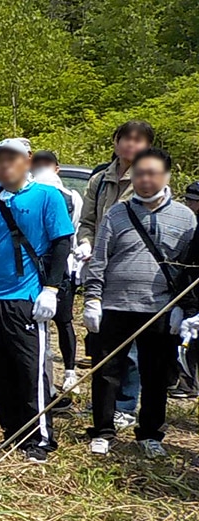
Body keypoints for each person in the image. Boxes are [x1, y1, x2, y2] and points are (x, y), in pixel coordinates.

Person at [0, 138, 74, 464]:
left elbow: (62, 243)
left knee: (30, 370)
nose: (6, 165)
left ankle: (41, 437)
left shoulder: (47, 196)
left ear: (27, 160)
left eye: (13, 159)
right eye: (0, 161)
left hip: (27, 297)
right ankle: (12, 432)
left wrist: (51, 288)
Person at [83, 147, 194, 458]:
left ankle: (149, 433)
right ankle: (103, 430)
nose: (145, 179)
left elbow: (189, 269)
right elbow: (99, 259)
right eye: (140, 173)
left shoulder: (185, 219)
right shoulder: (117, 213)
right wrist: (93, 298)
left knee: (156, 375)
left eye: (153, 173)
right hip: (115, 305)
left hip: (160, 309)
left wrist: (182, 309)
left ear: (167, 176)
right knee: (106, 372)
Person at [76, 121, 155, 424]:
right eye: (124, 139)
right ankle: (102, 402)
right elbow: (88, 221)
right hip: (99, 269)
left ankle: (124, 405)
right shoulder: (100, 179)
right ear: (115, 142)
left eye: (138, 140)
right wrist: (85, 244)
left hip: (131, 270)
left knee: (129, 345)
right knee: (99, 340)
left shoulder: (149, 180)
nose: (129, 145)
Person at [32, 150, 84, 392]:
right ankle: (41, 372)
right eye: (38, 164)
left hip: (62, 268)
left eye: (47, 163)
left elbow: (72, 233)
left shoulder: (72, 197)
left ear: (57, 167)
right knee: (35, 322)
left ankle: (70, 370)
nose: (42, 167)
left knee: (64, 321)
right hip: (32, 267)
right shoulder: (28, 193)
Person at [170, 181, 199, 398]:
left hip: (195, 294)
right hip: (187, 291)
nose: (189, 203)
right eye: (188, 199)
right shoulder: (191, 224)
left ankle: (188, 384)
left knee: (190, 339)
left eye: (194, 201)